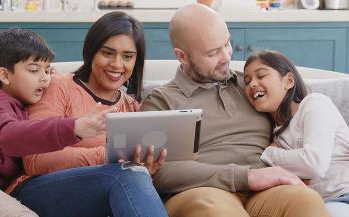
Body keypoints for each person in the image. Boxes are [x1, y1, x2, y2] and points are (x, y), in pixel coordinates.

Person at [141, 4, 331, 217]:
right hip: (201, 192)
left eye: (227, 43)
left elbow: (298, 122)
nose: (226, 56)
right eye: (213, 52)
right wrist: (246, 176)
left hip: (265, 191)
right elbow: (159, 172)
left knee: (305, 200)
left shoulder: (253, 85)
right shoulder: (162, 101)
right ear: (182, 56)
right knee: (214, 210)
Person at [9, 11, 169, 217]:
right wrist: (106, 156)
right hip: (37, 191)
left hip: (99, 195)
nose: (117, 64)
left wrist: (146, 168)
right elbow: (35, 159)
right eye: (107, 53)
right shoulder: (58, 86)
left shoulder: (132, 107)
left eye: (127, 56)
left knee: (131, 175)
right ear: (91, 51)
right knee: (124, 176)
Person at [0, 28, 114, 217]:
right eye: (33, 70)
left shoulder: (26, 102)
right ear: (5, 75)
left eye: (47, 70)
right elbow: (8, 134)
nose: (45, 78)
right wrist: (74, 127)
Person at [243, 49, 349, 217]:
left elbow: (314, 164)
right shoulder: (274, 134)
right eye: (247, 81)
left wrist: (269, 153)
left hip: (343, 198)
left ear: (289, 81)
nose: (252, 84)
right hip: (312, 205)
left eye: (261, 76)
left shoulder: (314, 104)